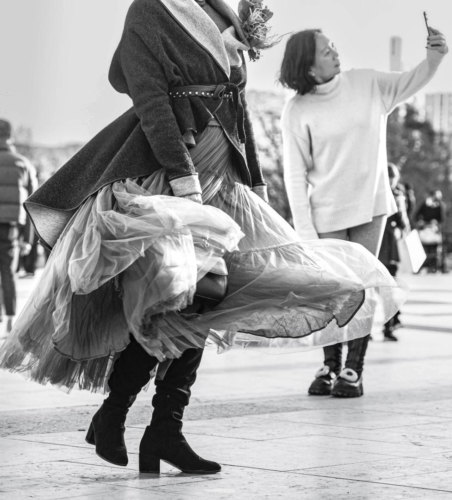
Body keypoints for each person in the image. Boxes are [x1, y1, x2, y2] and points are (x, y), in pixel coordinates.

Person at [0, 0, 404, 476]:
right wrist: (182, 176)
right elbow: (151, 100)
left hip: (225, 183)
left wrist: (254, 181)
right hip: (176, 179)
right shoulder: (150, 10)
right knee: (178, 300)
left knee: (205, 301)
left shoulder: (223, 10)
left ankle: (155, 427)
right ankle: (125, 417)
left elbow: (238, 105)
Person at [279, 25, 448, 397]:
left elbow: (410, 80)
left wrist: (434, 58)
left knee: (362, 288)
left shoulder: (367, 83)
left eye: (334, 46)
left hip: (371, 208)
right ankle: (329, 365)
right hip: (326, 214)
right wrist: (305, 232)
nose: (335, 52)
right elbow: (295, 176)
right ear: (308, 67)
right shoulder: (297, 110)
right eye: (326, 51)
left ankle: (353, 371)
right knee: (330, 293)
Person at [0, 119, 37, 336]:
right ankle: (10, 318)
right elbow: (32, 204)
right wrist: (27, 239)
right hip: (12, 226)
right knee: (8, 271)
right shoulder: (23, 164)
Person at [378, 164, 410, 341]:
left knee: (373, 289)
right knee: (390, 287)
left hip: (375, 243)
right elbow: (403, 221)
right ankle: (389, 326)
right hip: (388, 245)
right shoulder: (397, 195)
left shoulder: (375, 190)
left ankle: (367, 331)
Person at [415, 190, 447, 273]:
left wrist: (436, 222)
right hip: (425, 229)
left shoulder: (440, 205)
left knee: (436, 249)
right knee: (423, 249)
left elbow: (442, 218)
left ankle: (437, 266)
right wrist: (421, 221)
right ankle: (420, 266)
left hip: (434, 230)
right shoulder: (424, 204)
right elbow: (416, 215)